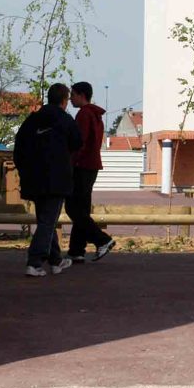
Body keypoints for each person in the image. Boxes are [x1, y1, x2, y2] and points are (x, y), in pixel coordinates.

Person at [14, 83, 82, 277]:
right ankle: (34, 262)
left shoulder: (32, 120)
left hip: (33, 181)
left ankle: (56, 260)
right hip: (56, 180)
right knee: (47, 222)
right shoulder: (66, 120)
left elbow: (19, 150)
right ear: (64, 101)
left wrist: (25, 171)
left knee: (46, 220)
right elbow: (77, 142)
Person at [66, 82, 116, 263]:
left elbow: (79, 143)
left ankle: (102, 239)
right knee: (82, 209)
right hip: (91, 166)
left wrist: (71, 163)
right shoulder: (96, 115)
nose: (70, 98)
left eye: (73, 94)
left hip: (81, 167)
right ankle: (76, 250)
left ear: (81, 95)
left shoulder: (84, 115)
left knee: (72, 208)